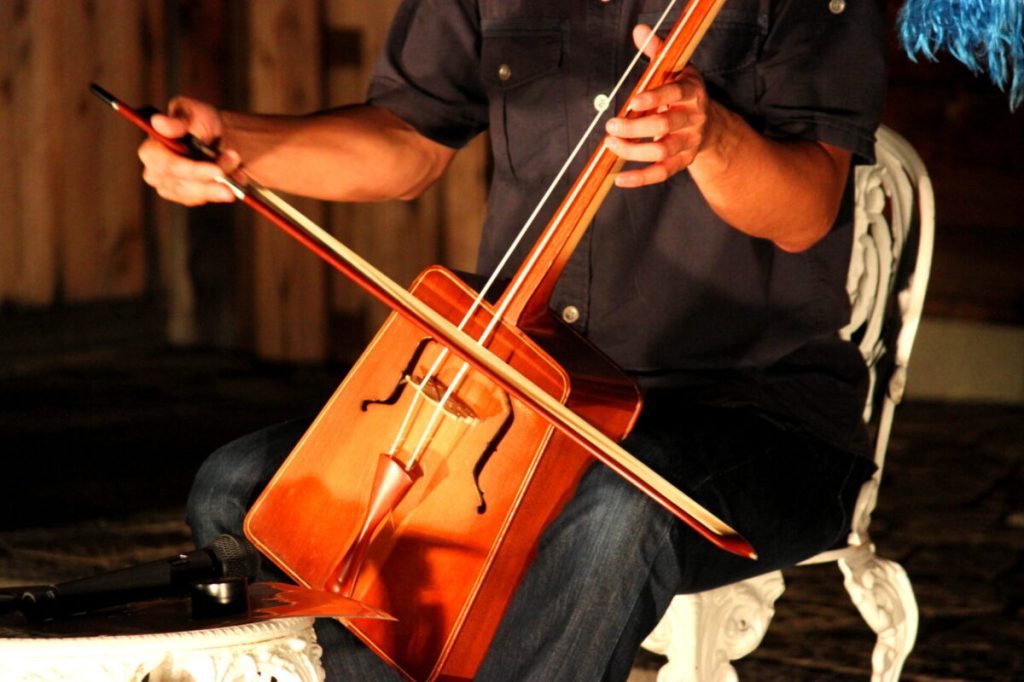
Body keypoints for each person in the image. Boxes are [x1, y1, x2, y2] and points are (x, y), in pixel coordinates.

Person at [139, 0, 888, 679]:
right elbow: (407, 142)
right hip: (522, 398)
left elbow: (806, 209)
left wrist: (713, 137)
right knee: (242, 487)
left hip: (749, 408)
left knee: (609, 515)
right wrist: (238, 145)